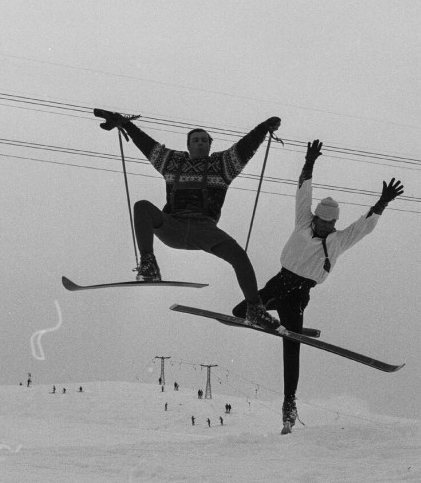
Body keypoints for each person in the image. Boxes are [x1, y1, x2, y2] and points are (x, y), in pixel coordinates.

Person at [232, 140, 403, 432]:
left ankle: (288, 404)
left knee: (292, 346)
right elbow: (303, 192)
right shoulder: (303, 222)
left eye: (328, 223)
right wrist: (309, 162)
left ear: (334, 222)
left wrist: (382, 202)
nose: (323, 226)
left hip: (299, 295)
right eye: (321, 221)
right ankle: (271, 319)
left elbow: (363, 226)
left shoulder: (338, 240)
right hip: (278, 282)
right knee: (239, 310)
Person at [94, 109, 282, 329]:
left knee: (239, 256)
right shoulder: (172, 163)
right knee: (142, 207)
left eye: (204, 140)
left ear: (210, 145)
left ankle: (255, 309)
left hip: (205, 230)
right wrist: (125, 125)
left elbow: (244, 147)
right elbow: (148, 146)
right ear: (188, 145)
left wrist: (262, 129)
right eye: (195, 140)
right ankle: (149, 265)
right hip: (173, 226)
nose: (200, 144)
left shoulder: (222, 166)